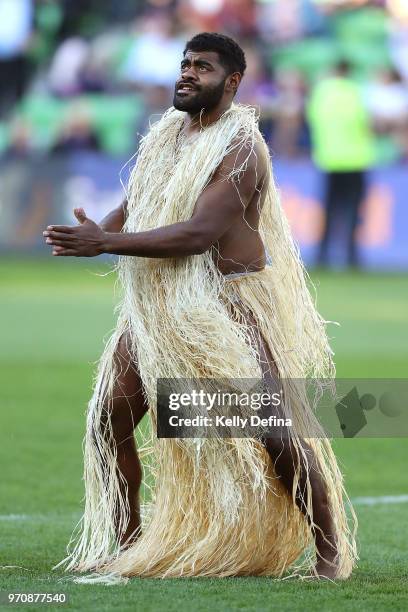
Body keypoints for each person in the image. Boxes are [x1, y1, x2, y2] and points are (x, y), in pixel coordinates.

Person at [43, 33, 357, 583]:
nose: (187, 73)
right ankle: (129, 544)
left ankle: (331, 550)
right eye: (185, 64)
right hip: (157, 305)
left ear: (232, 81)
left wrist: (106, 245)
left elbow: (199, 233)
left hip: (223, 302)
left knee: (273, 431)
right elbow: (139, 201)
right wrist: (101, 228)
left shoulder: (241, 146)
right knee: (107, 421)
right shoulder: (168, 132)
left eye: (202, 67)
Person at [307, 60, 375, 268]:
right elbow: (365, 122)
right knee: (353, 211)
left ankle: (322, 256)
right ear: (349, 72)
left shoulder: (321, 93)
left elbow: (312, 119)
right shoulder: (357, 92)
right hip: (356, 159)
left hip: (329, 159)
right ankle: (352, 257)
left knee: (328, 209)